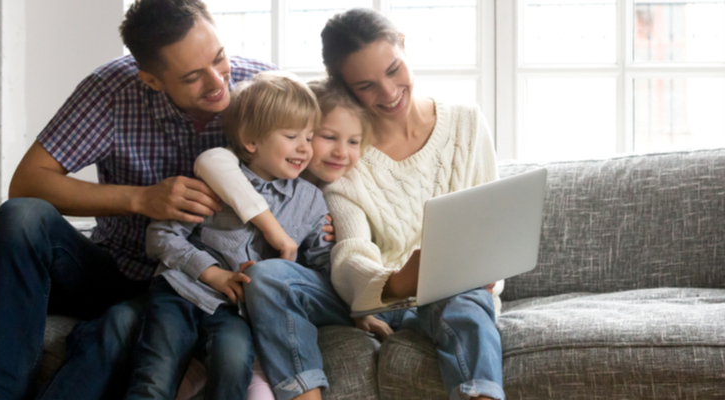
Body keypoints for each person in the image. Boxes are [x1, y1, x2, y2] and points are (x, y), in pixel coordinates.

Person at [0, 1, 276, 399]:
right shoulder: (110, 90)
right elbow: (27, 182)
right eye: (191, 77)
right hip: (119, 271)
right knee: (21, 216)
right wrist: (141, 199)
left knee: (120, 324)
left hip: (207, 286)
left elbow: (328, 158)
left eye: (219, 58)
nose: (219, 81)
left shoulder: (263, 88)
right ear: (152, 80)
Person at [200, 8, 504, 400]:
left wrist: (489, 268)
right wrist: (394, 281)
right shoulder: (340, 156)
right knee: (267, 277)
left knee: (468, 296)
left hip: (451, 294)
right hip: (365, 292)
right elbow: (349, 255)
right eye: (366, 85)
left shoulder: (467, 123)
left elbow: (494, 224)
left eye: (394, 69)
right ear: (344, 87)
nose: (389, 92)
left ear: (404, 46)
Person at [126, 71, 333, 400]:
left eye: (309, 137)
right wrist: (213, 273)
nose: (304, 148)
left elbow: (322, 266)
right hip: (182, 291)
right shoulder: (217, 181)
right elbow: (161, 237)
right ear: (251, 141)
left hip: (234, 312)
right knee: (156, 374)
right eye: (292, 136)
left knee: (234, 362)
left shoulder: (310, 199)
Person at [179, 78, 387, 400]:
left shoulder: (332, 193)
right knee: (262, 281)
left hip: (329, 288)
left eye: (353, 142)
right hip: (249, 298)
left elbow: (331, 266)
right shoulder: (245, 173)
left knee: (268, 276)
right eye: (326, 137)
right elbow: (211, 162)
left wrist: (362, 307)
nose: (339, 152)